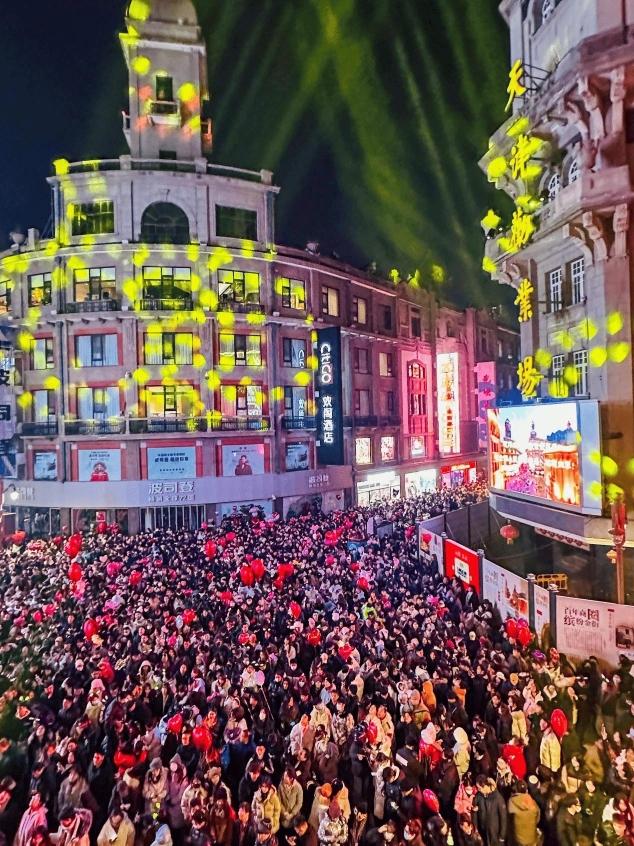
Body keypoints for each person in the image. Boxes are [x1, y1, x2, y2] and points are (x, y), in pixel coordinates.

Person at [507, 781, 540, 846]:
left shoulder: (511, 801)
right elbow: (537, 818)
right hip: (531, 839)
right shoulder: (532, 802)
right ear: (526, 790)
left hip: (517, 840)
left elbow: (509, 821)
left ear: (516, 790)